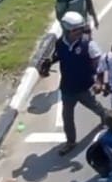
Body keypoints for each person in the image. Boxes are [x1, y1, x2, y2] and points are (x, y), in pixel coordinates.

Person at [37, 13, 104, 156]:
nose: (78, 32)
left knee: (95, 106)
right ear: (66, 30)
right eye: (75, 30)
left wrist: (99, 82)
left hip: (85, 87)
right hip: (67, 88)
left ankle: (106, 119)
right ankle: (70, 142)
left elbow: (99, 64)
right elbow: (58, 56)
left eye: (80, 29)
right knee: (67, 116)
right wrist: (48, 63)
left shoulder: (88, 44)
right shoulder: (60, 43)